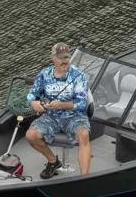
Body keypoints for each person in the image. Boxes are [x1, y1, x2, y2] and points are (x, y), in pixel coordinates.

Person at [25, 43, 91, 178]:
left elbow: (81, 103)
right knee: (31, 135)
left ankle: (85, 178)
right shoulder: (44, 74)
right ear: (53, 58)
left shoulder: (78, 75)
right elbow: (32, 94)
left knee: (84, 134)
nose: (64, 61)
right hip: (51, 117)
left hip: (75, 116)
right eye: (61, 58)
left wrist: (61, 105)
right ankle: (53, 161)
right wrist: (34, 103)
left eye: (67, 57)